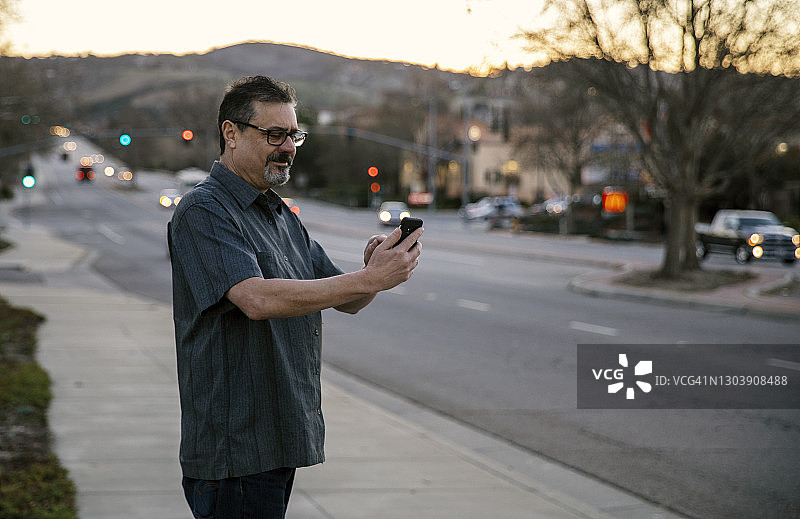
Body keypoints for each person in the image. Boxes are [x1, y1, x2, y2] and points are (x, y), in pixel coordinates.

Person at [168, 75, 423, 519]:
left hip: (277, 441)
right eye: (274, 135)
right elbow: (256, 300)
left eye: (294, 135)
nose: (287, 147)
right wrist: (367, 279)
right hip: (235, 453)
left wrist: (373, 273)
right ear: (231, 133)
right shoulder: (204, 210)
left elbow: (346, 299)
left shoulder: (281, 215)